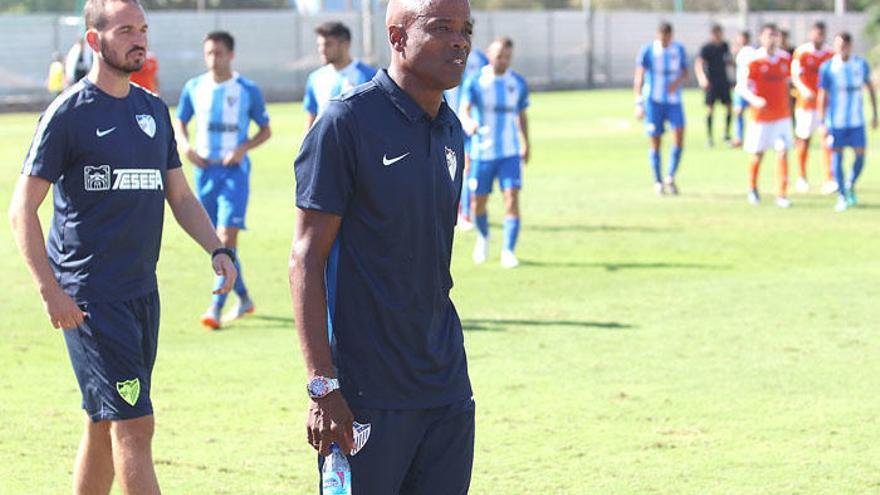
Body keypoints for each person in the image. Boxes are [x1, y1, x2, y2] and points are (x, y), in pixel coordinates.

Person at [8, 1, 237, 493]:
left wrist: (217, 249)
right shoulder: (68, 114)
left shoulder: (152, 109)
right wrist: (51, 292)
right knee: (135, 426)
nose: (139, 39)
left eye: (144, 29)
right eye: (126, 29)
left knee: (103, 419)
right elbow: (21, 210)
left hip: (141, 294)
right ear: (95, 41)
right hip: (91, 298)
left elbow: (180, 195)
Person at [289, 0, 475, 491]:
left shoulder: (452, 129)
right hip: (363, 394)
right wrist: (322, 385)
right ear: (396, 37)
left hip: (445, 384)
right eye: (441, 28)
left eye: (466, 30)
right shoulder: (346, 123)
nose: (460, 41)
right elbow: (305, 258)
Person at [174, 31, 272, 329]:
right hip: (204, 171)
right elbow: (180, 121)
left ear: (231, 54)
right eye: (208, 53)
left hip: (234, 173)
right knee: (213, 242)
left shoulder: (246, 89)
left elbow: (265, 129)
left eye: (218, 53)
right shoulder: (194, 87)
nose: (213, 59)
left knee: (227, 238)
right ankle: (243, 297)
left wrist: (242, 148)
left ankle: (215, 306)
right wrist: (185, 146)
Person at [460, 37, 529, 268]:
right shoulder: (476, 81)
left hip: (509, 152)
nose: (504, 60)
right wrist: (468, 122)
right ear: (490, 54)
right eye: (500, 56)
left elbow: (521, 114)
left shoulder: (517, 82)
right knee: (479, 204)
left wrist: (526, 142)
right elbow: (465, 108)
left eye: (508, 56)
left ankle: (508, 251)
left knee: (512, 197)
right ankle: (484, 236)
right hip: (482, 152)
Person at [817, 32, 878, 211]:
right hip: (836, 122)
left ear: (850, 46)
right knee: (837, 156)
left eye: (844, 45)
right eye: (837, 45)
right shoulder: (827, 67)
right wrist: (821, 122)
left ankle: (850, 182)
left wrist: (875, 113)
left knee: (860, 156)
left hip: (856, 120)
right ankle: (842, 195)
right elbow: (823, 95)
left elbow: (870, 88)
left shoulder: (860, 64)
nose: (841, 48)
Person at [737, 23, 793, 208]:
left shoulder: (785, 59)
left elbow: (791, 83)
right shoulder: (754, 61)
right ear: (761, 38)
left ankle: (782, 194)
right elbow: (742, 87)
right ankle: (752, 189)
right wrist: (755, 100)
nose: (772, 39)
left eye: (775, 36)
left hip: (782, 116)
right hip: (760, 118)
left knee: (783, 152)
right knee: (758, 155)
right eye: (768, 35)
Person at [634, 22, 689, 196]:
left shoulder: (678, 50)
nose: (664, 40)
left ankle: (670, 176)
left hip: (673, 102)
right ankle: (657, 180)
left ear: (671, 36)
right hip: (653, 101)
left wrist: (676, 83)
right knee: (655, 140)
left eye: (667, 37)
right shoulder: (648, 51)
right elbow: (639, 76)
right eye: (661, 37)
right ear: (657, 35)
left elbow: (685, 72)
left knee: (679, 137)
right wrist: (639, 103)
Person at [303, 21, 377, 129]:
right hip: (327, 145)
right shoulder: (315, 78)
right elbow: (312, 119)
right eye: (319, 45)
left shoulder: (369, 76)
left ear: (345, 44)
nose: (322, 50)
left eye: (328, 44)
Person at [445, 47, 488, 229]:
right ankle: (453, 209)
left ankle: (464, 213)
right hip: (448, 120)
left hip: (470, 124)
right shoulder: (445, 53)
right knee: (447, 170)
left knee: (466, 168)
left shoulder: (480, 59)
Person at [791, 22, 834, 194]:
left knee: (828, 141)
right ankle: (801, 177)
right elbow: (795, 76)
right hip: (806, 104)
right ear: (811, 34)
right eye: (816, 33)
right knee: (804, 139)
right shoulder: (801, 52)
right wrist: (803, 89)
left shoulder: (830, 54)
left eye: (821, 34)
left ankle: (829, 179)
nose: (819, 37)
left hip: (825, 106)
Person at [695, 24, 733, 147]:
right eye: (715, 33)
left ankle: (726, 134)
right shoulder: (706, 48)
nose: (718, 35)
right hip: (712, 82)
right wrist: (702, 78)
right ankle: (709, 137)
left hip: (723, 81)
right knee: (710, 109)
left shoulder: (724, 46)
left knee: (729, 107)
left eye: (719, 33)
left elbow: (729, 61)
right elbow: (699, 63)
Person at [732, 30, 755, 148]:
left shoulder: (751, 51)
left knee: (752, 113)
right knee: (738, 111)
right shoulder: (739, 51)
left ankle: (751, 137)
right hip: (740, 87)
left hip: (750, 88)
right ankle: (738, 138)